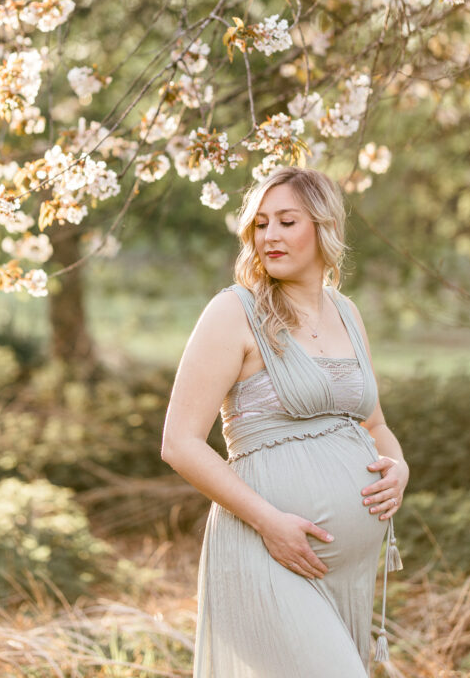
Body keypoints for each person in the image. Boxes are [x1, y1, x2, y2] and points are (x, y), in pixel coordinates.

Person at [161, 164, 410, 677]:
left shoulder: (347, 313)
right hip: (265, 551)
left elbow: (374, 423)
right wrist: (269, 523)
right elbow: (179, 443)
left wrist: (398, 465)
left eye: (286, 221)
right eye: (260, 223)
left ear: (324, 228)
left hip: (345, 572)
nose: (269, 235)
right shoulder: (234, 312)